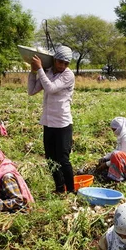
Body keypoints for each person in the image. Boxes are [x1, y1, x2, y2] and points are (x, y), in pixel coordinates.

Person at [28, 45, 76, 194]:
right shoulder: (47, 72)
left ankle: (71, 190)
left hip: (62, 123)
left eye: (65, 63)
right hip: (48, 122)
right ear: (54, 60)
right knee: (50, 159)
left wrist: (40, 70)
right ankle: (59, 189)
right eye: (60, 62)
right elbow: (32, 91)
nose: (62, 66)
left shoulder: (68, 75)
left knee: (63, 159)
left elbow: (51, 88)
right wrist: (33, 71)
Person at [0, 147, 34, 213]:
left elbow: (18, 201)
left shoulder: (6, 177)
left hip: (19, 209)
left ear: (0, 160)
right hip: (6, 200)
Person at [96, 117, 126, 182]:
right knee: (115, 154)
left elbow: (121, 156)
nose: (113, 132)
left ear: (120, 127)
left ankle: (118, 177)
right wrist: (105, 158)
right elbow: (118, 149)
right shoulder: (123, 135)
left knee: (116, 155)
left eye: (114, 129)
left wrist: (106, 164)